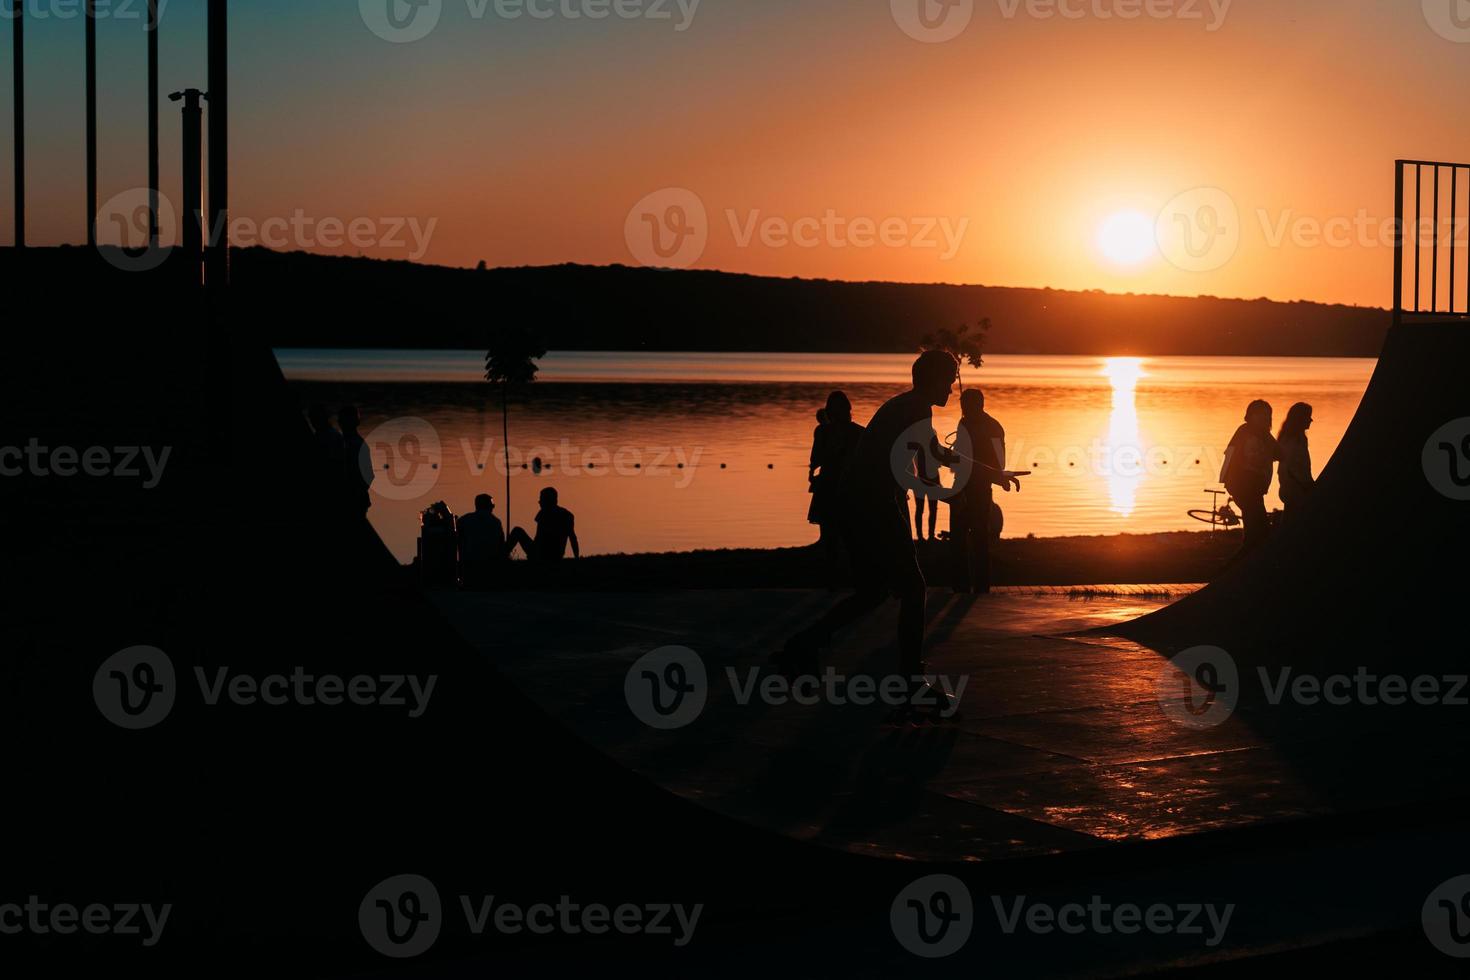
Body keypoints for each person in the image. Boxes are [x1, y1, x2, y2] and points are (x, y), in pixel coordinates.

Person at [772, 351, 1025, 694]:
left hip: (860, 502)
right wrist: (959, 489)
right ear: (934, 379)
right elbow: (930, 461)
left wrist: (990, 474)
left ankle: (801, 647)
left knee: (872, 592)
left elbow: (933, 456)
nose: (952, 388)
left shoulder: (909, 406)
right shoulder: (914, 408)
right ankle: (910, 680)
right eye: (949, 379)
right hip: (871, 503)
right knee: (914, 588)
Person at [950, 388, 1009, 594]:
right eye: (962, 406)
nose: (964, 410)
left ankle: (981, 587)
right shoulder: (964, 423)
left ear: (979, 405)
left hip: (979, 488)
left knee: (979, 538)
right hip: (960, 486)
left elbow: (1000, 461)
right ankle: (961, 585)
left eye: (967, 405)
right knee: (957, 538)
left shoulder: (993, 427)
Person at [807, 392, 865, 571]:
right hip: (831, 485)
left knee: (849, 534)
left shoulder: (856, 432)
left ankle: (850, 572)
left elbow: (816, 459)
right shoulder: (827, 432)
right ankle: (835, 573)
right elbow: (816, 458)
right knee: (832, 534)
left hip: (846, 486)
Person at [1220, 399, 1280, 556]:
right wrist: (1227, 480)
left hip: (1254, 487)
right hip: (1245, 486)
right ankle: (1239, 567)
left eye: (1267, 416)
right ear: (1251, 416)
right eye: (1261, 415)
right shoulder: (1245, 432)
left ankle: (1243, 564)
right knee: (1258, 529)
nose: (1265, 419)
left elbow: (1279, 453)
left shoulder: (1264, 435)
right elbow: (1230, 455)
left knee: (1256, 529)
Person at [508, 487, 580, 562]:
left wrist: (533, 554)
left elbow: (538, 538)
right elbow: (573, 538)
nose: (539, 502)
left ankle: (501, 557)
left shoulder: (543, 514)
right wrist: (576, 557)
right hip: (556, 555)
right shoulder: (567, 515)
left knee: (517, 531)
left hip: (542, 554)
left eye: (541, 499)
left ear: (548, 500)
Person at [458, 493, 507, 589]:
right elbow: (501, 544)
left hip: (470, 562)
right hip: (492, 563)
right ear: (490, 507)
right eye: (493, 505)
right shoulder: (496, 522)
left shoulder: (464, 520)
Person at [1276, 402, 1315, 523]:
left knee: (1289, 520)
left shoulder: (1291, 437)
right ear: (1300, 419)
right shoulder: (1294, 440)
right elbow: (1293, 466)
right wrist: (1308, 484)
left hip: (1290, 487)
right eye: (1308, 416)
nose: (1311, 420)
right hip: (1295, 488)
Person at [339, 404, 374, 514]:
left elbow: (368, 476)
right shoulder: (344, 443)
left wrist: (355, 493)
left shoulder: (357, 445)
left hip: (355, 500)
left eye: (342, 420)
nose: (340, 423)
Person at [912, 449, 940, 542]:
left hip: (922, 478)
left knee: (923, 508)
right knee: (927, 508)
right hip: (927, 479)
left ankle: (924, 536)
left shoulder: (918, 442)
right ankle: (925, 536)